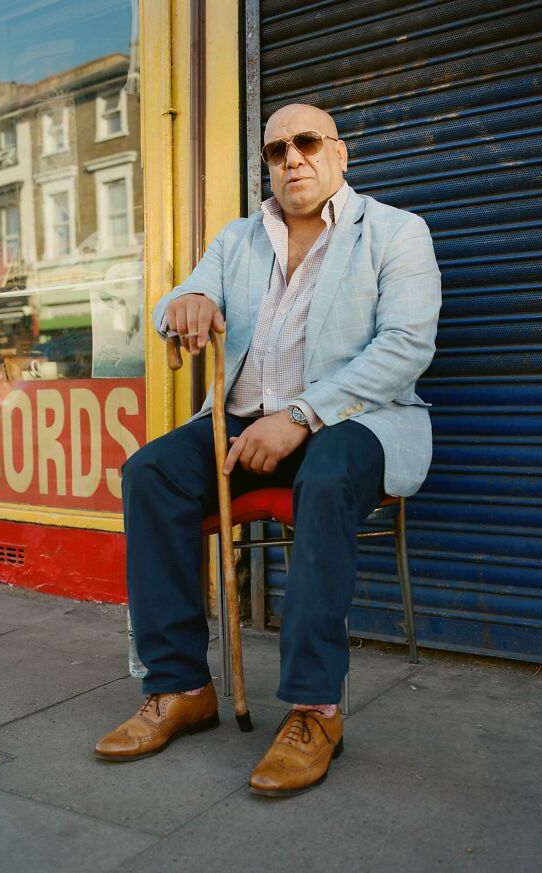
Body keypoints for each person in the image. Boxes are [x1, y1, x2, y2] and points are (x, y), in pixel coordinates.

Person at [94, 103, 441, 797]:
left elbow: (405, 348)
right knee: (149, 472)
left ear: (339, 153)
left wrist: (302, 416)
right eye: (276, 150)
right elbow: (181, 297)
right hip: (242, 423)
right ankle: (181, 686)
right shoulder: (240, 238)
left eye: (307, 142)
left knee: (329, 471)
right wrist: (185, 304)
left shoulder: (396, 233)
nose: (292, 158)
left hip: (355, 423)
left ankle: (314, 709)